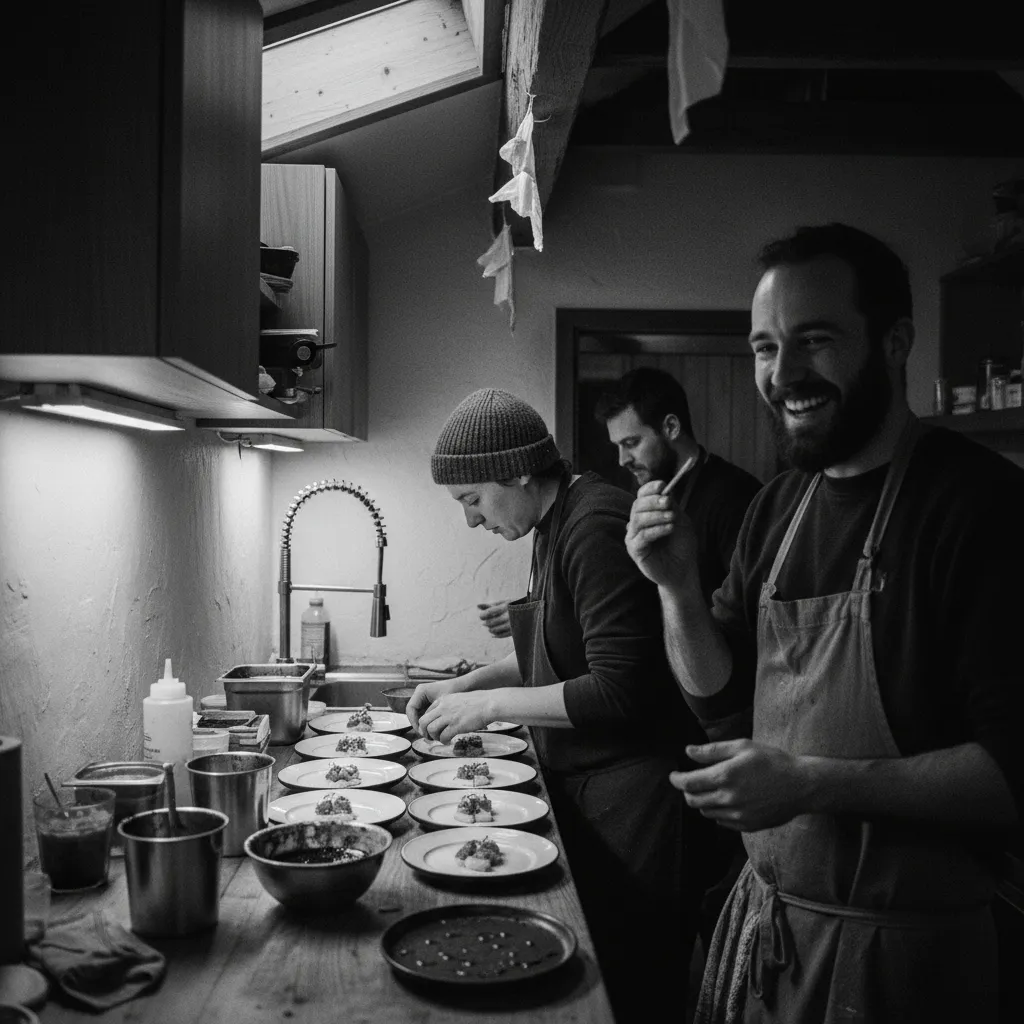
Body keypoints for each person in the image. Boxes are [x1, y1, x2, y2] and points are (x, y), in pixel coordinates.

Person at [625, 223, 1024, 1024]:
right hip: (773, 934)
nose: (784, 374)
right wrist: (673, 589)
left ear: (896, 341)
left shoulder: (981, 507)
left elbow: (1015, 775)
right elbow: (724, 700)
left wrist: (809, 782)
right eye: (766, 347)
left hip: (914, 964)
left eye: (816, 340)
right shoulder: (779, 508)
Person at [409, 387, 707, 1023]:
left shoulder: (593, 527)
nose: (470, 520)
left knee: (635, 987)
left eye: (472, 499)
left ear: (519, 471)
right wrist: (467, 688)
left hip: (638, 805)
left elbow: (619, 687)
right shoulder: (552, 522)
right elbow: (556, 649)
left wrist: (490, 711)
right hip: (596, 789)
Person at [596, 366, 762, 947]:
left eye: (631, 442)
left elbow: (744, 637)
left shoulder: (736, 499)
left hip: (729, 727)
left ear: (671, 426)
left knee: (716, 907)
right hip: (675, 726)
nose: (622, 459)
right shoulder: (658, 496)